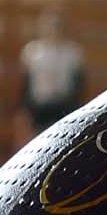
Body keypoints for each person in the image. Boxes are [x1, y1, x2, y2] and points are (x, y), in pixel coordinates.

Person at [18, 8, 86, 139]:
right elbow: (26, 84)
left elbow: (79, 84)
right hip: (39, 107)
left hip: (64, 105)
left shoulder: (73, 53)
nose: (53, 30)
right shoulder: (32, 52)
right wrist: (24, 109)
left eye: (57, 26)